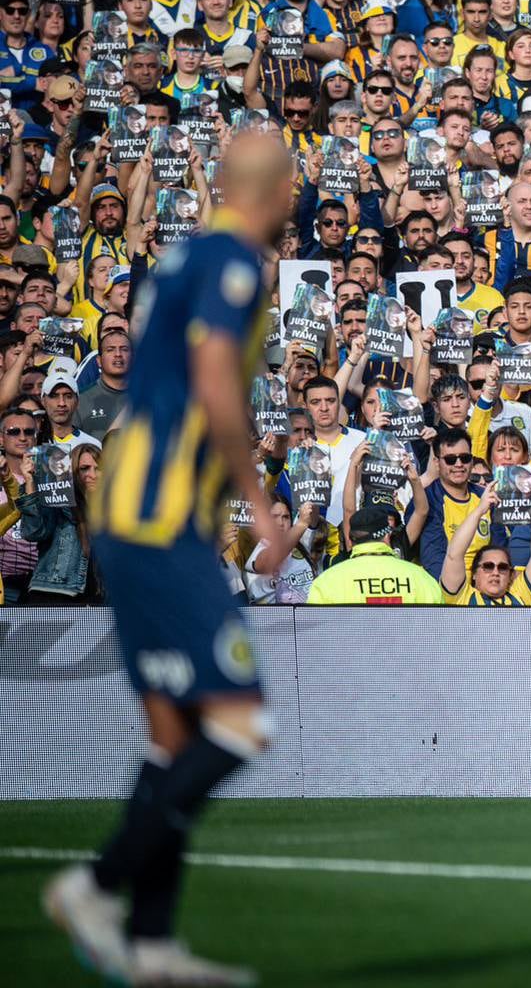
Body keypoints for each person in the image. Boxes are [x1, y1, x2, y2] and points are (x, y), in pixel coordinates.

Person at [43, 132, 296, 987]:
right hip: (161, 521)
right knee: (241, 722)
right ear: (280, 189)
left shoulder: (182, 261)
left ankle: (151, 945)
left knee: (173, 737)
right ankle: (98, 883)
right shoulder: (232, 266)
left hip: (129, 508)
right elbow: (219, 382)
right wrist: (260, 507)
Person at [305, 506, 443, 604]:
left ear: (350, 540)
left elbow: (315, 636)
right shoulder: (422, 579)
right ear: (387, 536)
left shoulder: (327, 582)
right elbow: (439, 631)